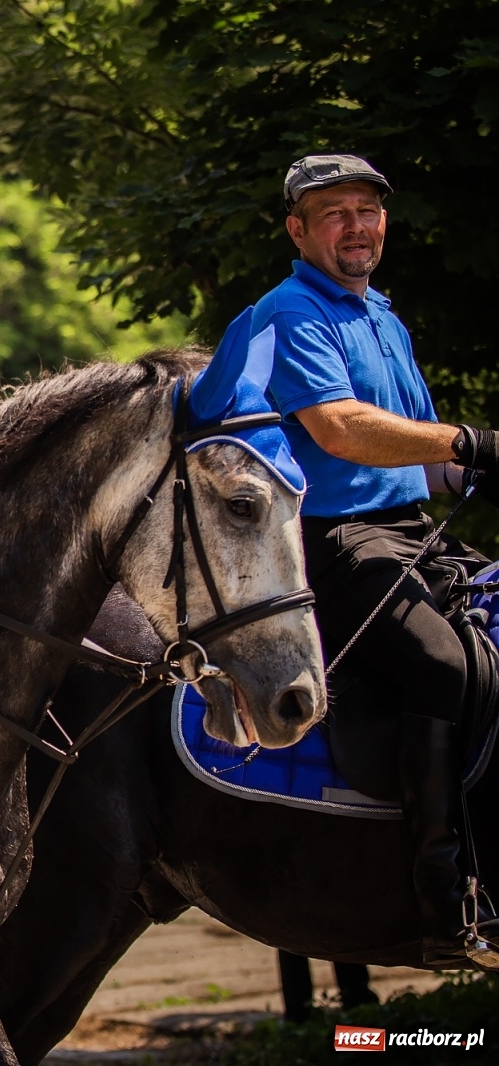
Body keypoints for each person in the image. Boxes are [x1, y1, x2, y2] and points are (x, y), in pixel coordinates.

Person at [251, 154, 499, 969]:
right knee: (444, 667)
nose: (357, 227)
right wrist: (470, 439)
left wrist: (478, 459)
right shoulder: (288, 314)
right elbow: (341, 429)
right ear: (299, 230)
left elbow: (433, 465)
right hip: (331, 541)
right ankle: (444, 896)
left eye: (368, 210)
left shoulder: (381, 316)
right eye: (335, 213)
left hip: (412, 530)